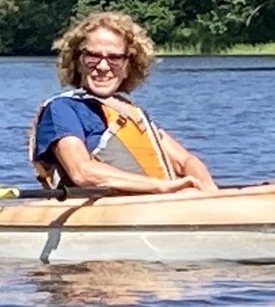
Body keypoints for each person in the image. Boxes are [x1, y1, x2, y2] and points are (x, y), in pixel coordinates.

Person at [29, 11, 217, 194]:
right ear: (78, 62)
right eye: (93, 57)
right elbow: (82, 171)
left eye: (115, 58)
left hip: (156, 206)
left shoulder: (132, 114)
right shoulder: (62, 110)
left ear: (128, 66)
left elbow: (185, 161)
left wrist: (208, 187)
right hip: (104, 213)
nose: (103, 67)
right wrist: (160, 187)